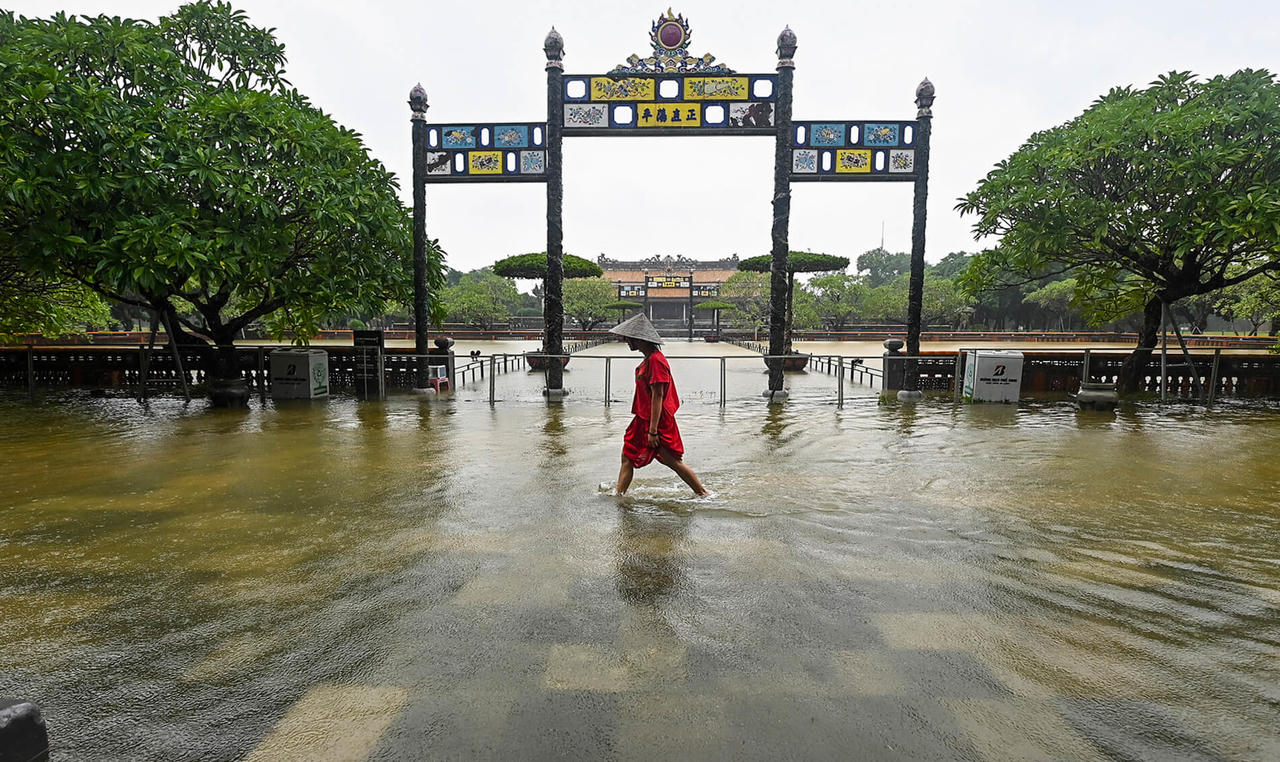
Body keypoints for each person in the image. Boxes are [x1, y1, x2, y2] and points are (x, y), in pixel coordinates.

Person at [609, 313, 708, 496]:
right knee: (627, 456)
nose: (626, 341)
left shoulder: (656, 361)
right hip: (643, 418)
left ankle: (703, 493)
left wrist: (653, 431)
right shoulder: (649, 359)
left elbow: (658, 396)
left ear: (640, 339)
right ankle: (619, 494)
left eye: (629, 338)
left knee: (672, 461)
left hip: (656, 421)